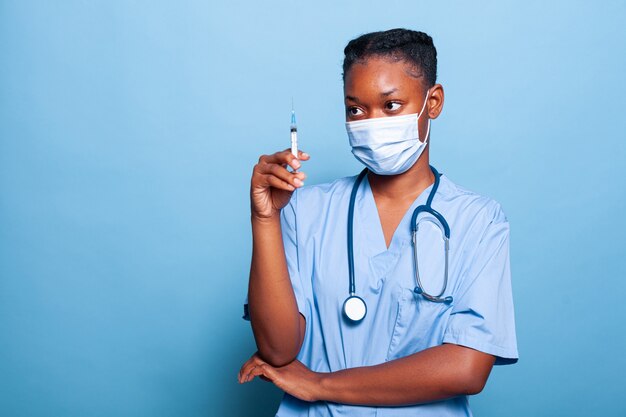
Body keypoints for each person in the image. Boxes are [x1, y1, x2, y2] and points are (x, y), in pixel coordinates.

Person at [238, 28, 518, 416]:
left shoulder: (478, 221)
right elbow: (278, 349)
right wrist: (265, 217)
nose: (370, 122)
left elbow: (467, 368)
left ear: (432, 102)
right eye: (356, 109)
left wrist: (320, 384)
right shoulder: (307, 210)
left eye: (390, 106)